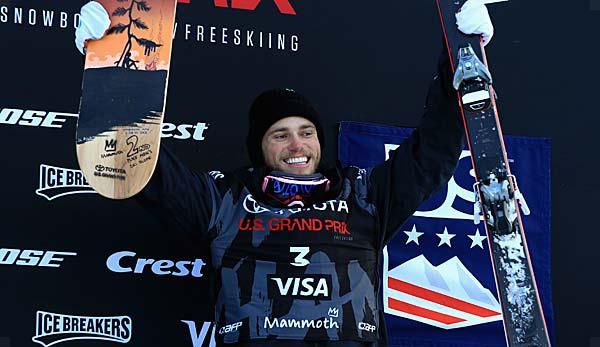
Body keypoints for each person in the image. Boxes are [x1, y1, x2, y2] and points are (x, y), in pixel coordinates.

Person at [75, 1, 494, 346]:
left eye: (306, 133)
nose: (297, 146)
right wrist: (110, 75)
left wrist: (457, 55)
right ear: (260, 148)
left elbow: (432, 154)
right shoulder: (224, 200)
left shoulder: (363, 195)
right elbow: (142, 169)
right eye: (281, 135)